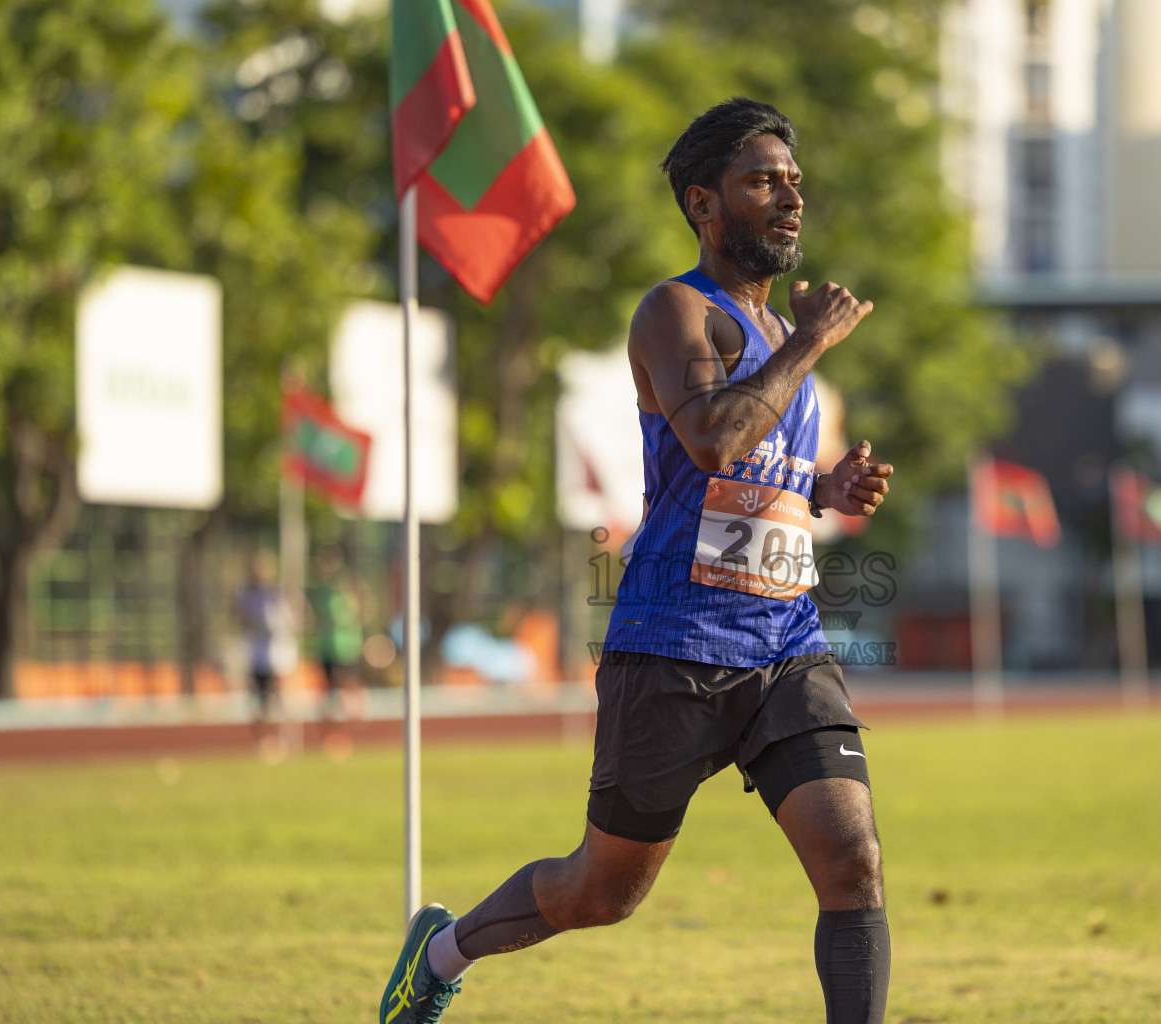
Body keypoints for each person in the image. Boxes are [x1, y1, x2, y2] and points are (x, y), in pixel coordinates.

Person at [382, 97, 896, 1024]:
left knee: (852, 862)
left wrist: (824, 490)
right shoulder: (674, 312)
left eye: (794, 183)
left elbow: (752, 476)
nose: (789, 200)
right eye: (762, 182)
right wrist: (819, 340)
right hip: (672, 643)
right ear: (704, 203)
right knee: (602, 891)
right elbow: (709, 439)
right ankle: (443, 949)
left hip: (784, 641)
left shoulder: (782, 339)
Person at [236, 550, 298, 747]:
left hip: (280, 652)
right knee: (260, 698)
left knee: (282, 695)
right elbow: (240, 619)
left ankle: (286, 737)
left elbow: (296, 618)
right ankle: (263, 739)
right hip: (258, 651)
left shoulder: (278, 593)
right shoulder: (246, 594)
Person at [308, 544, 363, 732]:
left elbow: (363, 611)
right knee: (329, 690)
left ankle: (352, 725)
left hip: (347, 646)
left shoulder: (349, 587)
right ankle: (333, 730)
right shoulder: (320, 590)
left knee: (347, 685)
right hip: (327, 646)